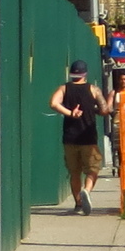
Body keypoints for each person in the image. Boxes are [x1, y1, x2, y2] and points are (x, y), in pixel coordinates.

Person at [50, 64, 112, 214]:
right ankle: (87, 190)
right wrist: (106, 102)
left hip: (69, 138)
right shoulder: (93, 89)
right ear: (85, 74)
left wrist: (70, 113)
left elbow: (53, 103)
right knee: (92, 169)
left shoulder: (64, 89)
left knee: (74, 173)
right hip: (88, 137)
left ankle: (78, 203)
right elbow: (105, 110)